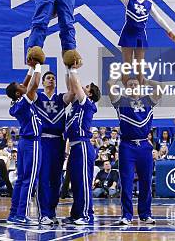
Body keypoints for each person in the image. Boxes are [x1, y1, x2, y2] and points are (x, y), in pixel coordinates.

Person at [108, 76, 159, 225]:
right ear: (125, 87)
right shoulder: (120, 101)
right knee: (126, 181)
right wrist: (119, 77)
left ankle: (145, 214)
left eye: (135, 84)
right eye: (129, 84)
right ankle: (127, 215)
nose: (132, 86)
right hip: (127, 145)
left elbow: (160, 86)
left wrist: (145, 80)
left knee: (146, 181)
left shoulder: (148, 100)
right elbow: (110, 84)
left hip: (144, 145)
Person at [107, 0, 175, 82]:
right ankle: (127, 91)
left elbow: (159, 19)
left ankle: (139, 91)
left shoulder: (148, 4)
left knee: (139, 65)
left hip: (140, 36)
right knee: (127, 64)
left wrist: (169, 30)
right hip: (128, 34)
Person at [5, 57, 43, 224]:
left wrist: (31, 68)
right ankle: (22, 215)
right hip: (32, 143)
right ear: (19, 92)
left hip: (24, 143)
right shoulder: (24, 100)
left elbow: (26, 83)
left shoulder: (17, 101)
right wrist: (39, 65)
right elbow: (34, 85)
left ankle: (14, 214)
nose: (23, 84)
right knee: (30, 179)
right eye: (20, 86)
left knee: (21, 179)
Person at [33, 70, 72, 225]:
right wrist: (35, 68)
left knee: (56, 179)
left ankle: (52, 211)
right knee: (43, 178)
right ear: (42, 82)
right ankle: (44, 213)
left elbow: (73, 93)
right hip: (42, 141)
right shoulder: (37, 97)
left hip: (58, 142)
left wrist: (69, 69)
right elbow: (30, 88)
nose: (51, 80)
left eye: (53, 78)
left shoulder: (60, 98)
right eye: (48, 78)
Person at [64, 66, 100, 225]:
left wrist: (73, 69)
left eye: (87, 88)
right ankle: (76, 214)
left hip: (84, 146)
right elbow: (71, 87)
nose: (83, 88)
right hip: (74, 147)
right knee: (76, 182)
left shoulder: (88, 103)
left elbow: (76, 86)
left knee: (84, 182)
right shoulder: (77, 104)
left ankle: (86, 215)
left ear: (90, 93)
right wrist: (66, 68)